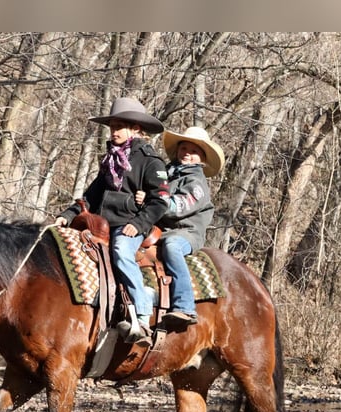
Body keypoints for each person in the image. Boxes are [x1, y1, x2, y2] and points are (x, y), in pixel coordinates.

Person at [55, 97, 169, 346]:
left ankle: (141, 314)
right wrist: (68, 215)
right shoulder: (110, 160)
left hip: (131, 224)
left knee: (121, 252)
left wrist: (138, 224)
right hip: (102, 223)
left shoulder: (150, 161)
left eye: (120, 126)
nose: (115, 131)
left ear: (136, 128)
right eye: (112, 126)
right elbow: (91, 196)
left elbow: (161, 200)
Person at [157, 126, 224, 329]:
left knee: (172, 247)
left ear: (202, 158)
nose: (187, 153)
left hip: (186, 232)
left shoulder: (197, 183)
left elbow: (179, 207)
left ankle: (184, 305)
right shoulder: (165, 174)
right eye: (183, 148)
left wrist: (154, 203)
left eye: (194, 151)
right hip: (160, 229)